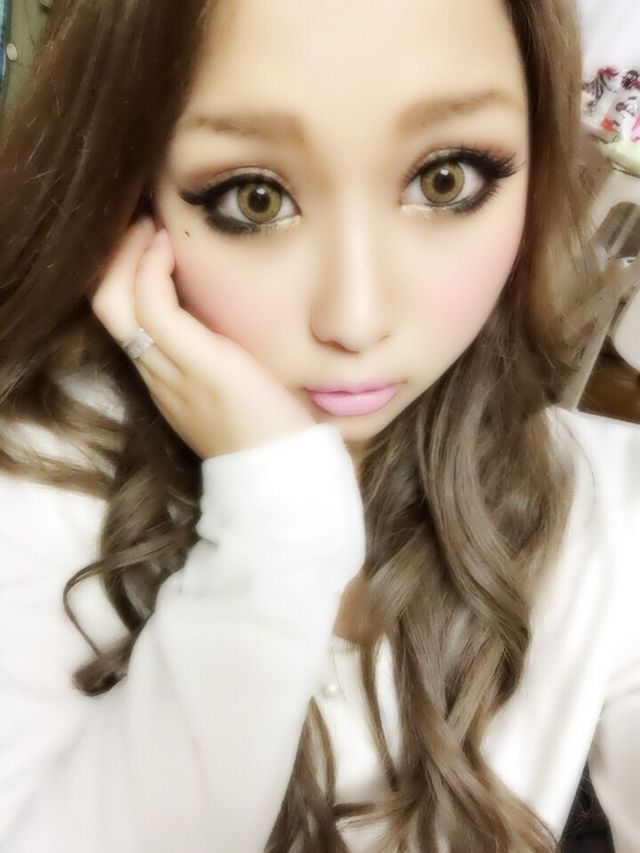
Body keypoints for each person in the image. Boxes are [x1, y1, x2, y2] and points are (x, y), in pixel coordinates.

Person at [0, 0, 638, 851]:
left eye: (445, 179)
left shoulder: (608, 506)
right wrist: (279, 518)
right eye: (254, 197)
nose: (355, 319)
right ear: (133, 189)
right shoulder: (33, 477)